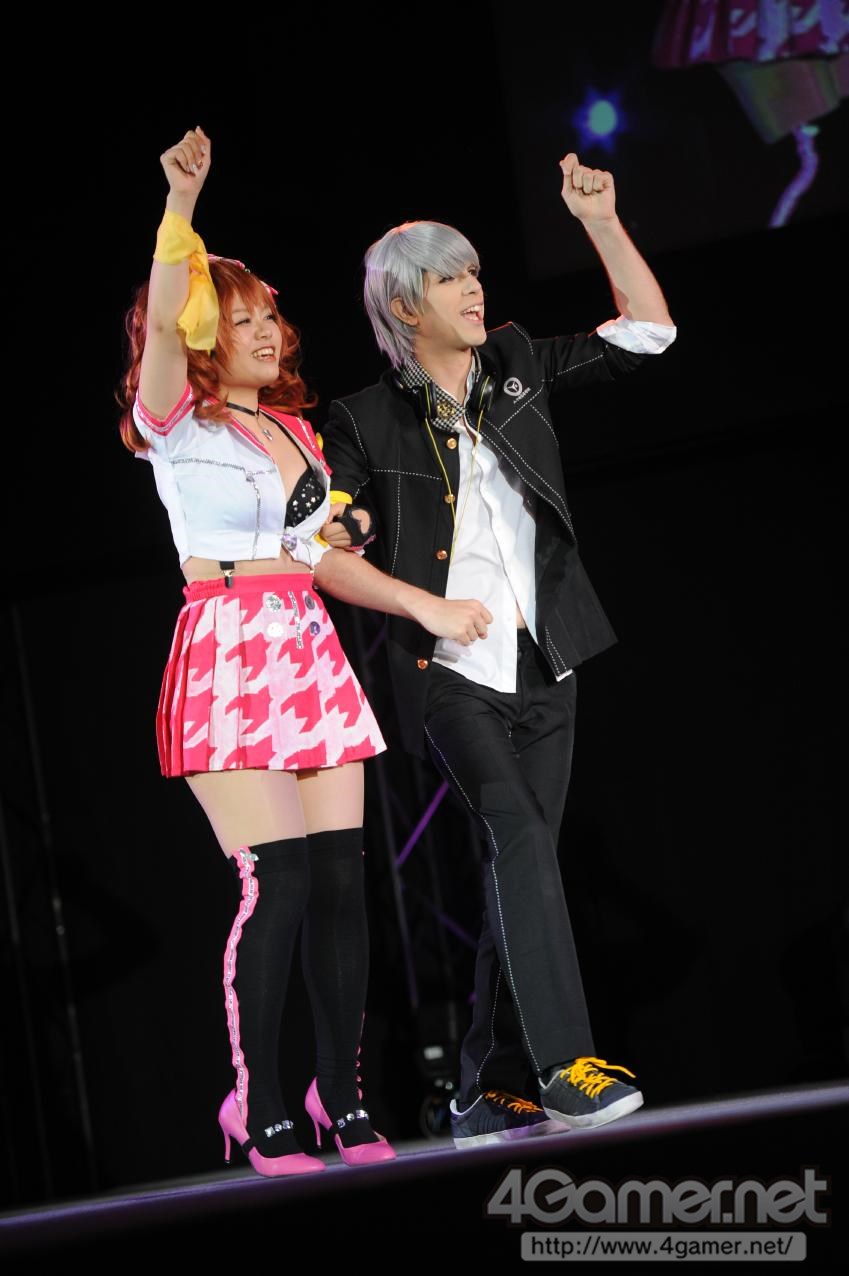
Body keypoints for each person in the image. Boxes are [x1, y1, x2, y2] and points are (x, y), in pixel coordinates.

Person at [118, 126, 489, 1176]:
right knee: (274, 881)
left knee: (338, 881)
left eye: (269, 316)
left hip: (307, 650)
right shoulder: (175, 419)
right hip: (229, 649)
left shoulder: (299, 434)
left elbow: (322, 553)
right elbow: (164, 319)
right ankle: (259, 1102)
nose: (266, 331)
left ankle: (343, 1092)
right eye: (240, 319)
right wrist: (180, 210)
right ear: (201, 334)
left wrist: (402, 584)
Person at [317, 152, 677, 1149]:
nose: (474, 290)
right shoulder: (363, 417)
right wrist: (391, 572)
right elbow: (330, 535)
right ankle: (564, 1069)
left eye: (474, 272)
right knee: (517, 838)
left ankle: (483, 1086)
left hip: (545, 656)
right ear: (405, 306)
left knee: (523, 863)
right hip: (447, 678)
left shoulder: (517, 361)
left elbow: (648, 333)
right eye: (450, 279)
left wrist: (600, 224)